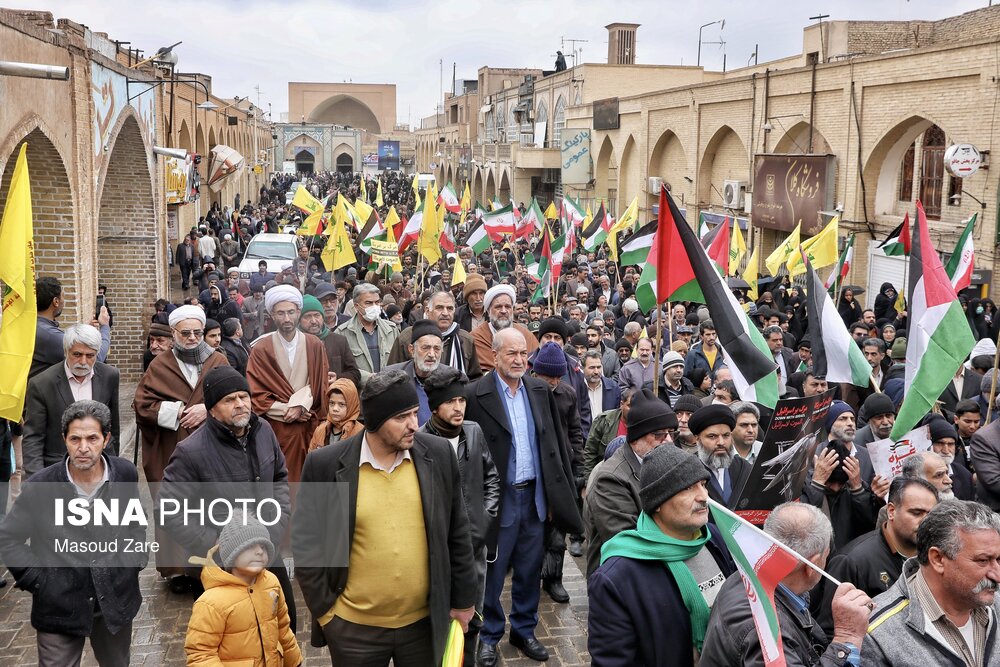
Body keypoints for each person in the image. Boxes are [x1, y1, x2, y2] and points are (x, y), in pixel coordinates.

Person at [294, 369, 477, 666]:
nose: (414, 426)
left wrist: (463, 601)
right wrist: (328, 614)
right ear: (376, 421)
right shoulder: (325, 465)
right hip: (354, 631)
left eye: (415, 414)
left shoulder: (439, 455)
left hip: (423, 625)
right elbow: (306, 543)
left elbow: (458, 532)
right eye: (402, 417)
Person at [463, 328, 583, 665]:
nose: (519, 360)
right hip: (498, 500)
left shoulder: (539, 390)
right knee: (493, 571)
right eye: (511, 354)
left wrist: (560, 492)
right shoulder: (477, 394)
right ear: (496, 355)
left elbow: (555, 444)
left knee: (531, 569)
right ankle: (488, 636)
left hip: (534, 497)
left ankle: (524, 630)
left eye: (522, 354)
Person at [0, 401, 146, 667]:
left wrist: (133, 561)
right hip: (59, 607)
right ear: (64, 440)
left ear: (106, 439)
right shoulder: (40, 486)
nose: (83, 447)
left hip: (114, 601)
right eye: (75, 438)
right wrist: (38, 580)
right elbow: (10, 539)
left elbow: (135, 524)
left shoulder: (124, 474)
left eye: (92, 438)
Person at [160, 366, 295, 626]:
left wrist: (275, 528)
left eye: (243, 397)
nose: (240, 404)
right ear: (211, 408)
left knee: (283, 626)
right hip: (220, 567)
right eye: (229, 400)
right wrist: (219, 545)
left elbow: (279, 477)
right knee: (234, 640)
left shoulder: (264, 430)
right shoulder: (190, 451)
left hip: (267, 549)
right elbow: (167, 510)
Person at [588, 444, 736, 667]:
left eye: (703, 484)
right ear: (657, 503)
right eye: (688, 488)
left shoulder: (713, 538)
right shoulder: (617, 578)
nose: (704, 496)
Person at [700, 503, 874, 667]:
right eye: (826, 555)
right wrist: (846, 637)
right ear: (811, 566)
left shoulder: (751, 574)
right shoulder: (765, 631)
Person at [133, 304, 230, 584]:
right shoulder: (159, 365)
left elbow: (235, 396)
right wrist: (177, 411)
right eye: (185, 333)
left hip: (211, 449)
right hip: (170, 449)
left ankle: (214, 563)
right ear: (174, 334)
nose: (192, 338)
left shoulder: (218, 362)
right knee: (174, 505)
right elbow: (143, 405)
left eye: (197, 332)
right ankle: (177, 569)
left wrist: (206, 409)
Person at [420, 366, 501, 665]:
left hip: (474, 548)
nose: (458, 408)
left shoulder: (473, 431)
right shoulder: (420, 441)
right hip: (439, 551)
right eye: (450, 402)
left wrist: (482, 522)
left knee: (473, 618)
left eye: (462, 401)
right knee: (441, 621)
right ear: (435, 406)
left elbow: (492, 479)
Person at [863, 500, 1000, 665]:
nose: (997, 575)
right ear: (938, 559)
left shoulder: (995, 604)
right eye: (983, 561)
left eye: (999, 560)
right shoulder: (877, 632)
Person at [811, 477, 939, 636]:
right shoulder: (852, 561)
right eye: (916, 513)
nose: (925, 522)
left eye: (931, 514)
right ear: (891, 511)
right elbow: (829, 631)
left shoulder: (935, 555)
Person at [184, 513, 301, 666]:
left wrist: (294, 661)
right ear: (232, 554)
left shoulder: (271, 583)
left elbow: (283, 628)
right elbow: (201, 654)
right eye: (251, 546)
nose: (259, 551)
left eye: (263, 546)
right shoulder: (211, 603)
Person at [583, 395, 677, 576]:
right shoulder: (610, 478)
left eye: (671, 433)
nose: (669, 441)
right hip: (620, 578)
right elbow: (627, 540)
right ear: (635, 439)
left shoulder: (665, 461)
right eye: (659, 435)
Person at [247, 285, 329, 482]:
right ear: (272, 315)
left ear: (298, 313)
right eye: (281, 313)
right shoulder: (261, 349)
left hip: (308, 424)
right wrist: (287, 410)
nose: (286, 319)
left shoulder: (314, 344)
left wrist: (301, 406)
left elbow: (320, 383)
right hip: (277, 428)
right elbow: (256, 394)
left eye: (291, 312)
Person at [23, 323, 120, 477]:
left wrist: (114, 466)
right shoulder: (42, 383)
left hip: (100, 469)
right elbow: (33, 437)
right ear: (66, 351)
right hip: (57, 470)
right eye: (77, 354)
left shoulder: (110, 376)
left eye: (90, 356)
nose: (83, 362)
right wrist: (36, 481)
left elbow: (113, 428)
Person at [803, 400, 881, 549]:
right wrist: (819, 480)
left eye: (852, 418)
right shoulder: (814, 455)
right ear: (830, 424)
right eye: (843, 419)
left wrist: (864, 490)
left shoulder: (867, 455)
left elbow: (869, 516)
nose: (850, 423)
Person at [388, 290, 482, 378]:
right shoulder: (408, 337)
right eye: (439, 308)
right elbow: (391, 375)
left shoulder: (465, 339)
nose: (445, 313)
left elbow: (474, 378)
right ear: (428, 311)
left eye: (449, 308)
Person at [31, 276, 111, 380]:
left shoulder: (36, 326)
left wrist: (83, 334)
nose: (63, 301)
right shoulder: (49, 335)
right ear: (56, 301)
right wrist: (105, 326)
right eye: (63, 296)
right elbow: (96, 358)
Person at [336, 283, 399, 386]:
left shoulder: (391, 329)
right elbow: (340, 368)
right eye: (368, 303)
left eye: (377, 302)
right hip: (359, 394)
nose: (374, 307)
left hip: (389, 392)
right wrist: (368, 378)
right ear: (356, 306)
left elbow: (400, 361)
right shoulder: (342, 333)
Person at [690, 404, 752, 508]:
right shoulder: (689, 471)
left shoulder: (743, 467)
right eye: (712, 436)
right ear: (697, 439)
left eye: (726, 435)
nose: (721, 442)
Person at [386, 320, 444, 426]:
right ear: (412, 350)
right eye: (426, 348)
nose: (432, 354)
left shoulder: (451, 378)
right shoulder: (391, 377)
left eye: (437, 349)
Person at [470, 285, 539, 374]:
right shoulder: (476, 338)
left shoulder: (526, 335)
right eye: (498, 307)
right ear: (488, 311)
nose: (503, 311)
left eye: (507, 307)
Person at [298, 293, 361, 387]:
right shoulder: (294, 343)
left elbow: (355, 374)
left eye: (317, 315)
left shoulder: (339, 341)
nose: (314, 321)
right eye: (307, 316)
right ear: (299, 319)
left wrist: (338, 378)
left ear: (322, 317)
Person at [583, 388, 635, 477]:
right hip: (604, 474)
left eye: (637, 406)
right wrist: (588, 481)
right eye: (630, 406)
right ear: (622, 404)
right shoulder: (604, 420)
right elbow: (590, 452)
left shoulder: (643, 425)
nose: (633, 410)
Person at [926, 415, 975, 500]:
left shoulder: (964, 475)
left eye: (950, 444)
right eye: (940, 443)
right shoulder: (917, 476)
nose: (946, 450)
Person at [309, 379, 364, 449]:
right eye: (331, 403)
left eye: (341, 404)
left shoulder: (361, 433)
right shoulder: (320, 430)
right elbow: (311, 457)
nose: (335, 409)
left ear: (352, 406)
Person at [583, 349, 621, 422]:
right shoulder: (577, 388)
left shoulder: (613, 388)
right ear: (583, 368)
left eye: (599, 367)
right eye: (592, 368)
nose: (596, 372)